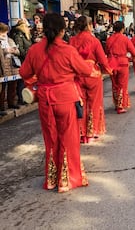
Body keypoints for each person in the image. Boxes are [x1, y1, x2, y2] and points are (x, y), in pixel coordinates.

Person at [19, 13, 99, 193]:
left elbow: (24, 72)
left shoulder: (34, 50)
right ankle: (67, 180)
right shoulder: (68, 50)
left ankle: (52, 180)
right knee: (68, 138)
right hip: (65, 98)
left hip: (45, 100)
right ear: (63, 30)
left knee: (51, 139)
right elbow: (85, 69)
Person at [70, 16, 113, 143]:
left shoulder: (72, 40)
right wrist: (108, 70)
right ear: (89, 26)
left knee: (80, 103)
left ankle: (82, 133)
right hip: (92, 74)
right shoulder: (94, 41)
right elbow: (103, 60)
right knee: (94, 103)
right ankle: (92, 131)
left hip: (77, 74)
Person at [106, 21, 135, 114]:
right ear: (122, 29)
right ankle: (120, 106)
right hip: (123, 64)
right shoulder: (125, 39)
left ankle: (116, 103)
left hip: (112, 64)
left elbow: (107, 51)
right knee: (122, 85)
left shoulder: (109, 39)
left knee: (115, 85)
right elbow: (133, 51)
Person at [11, 19, 32, 105]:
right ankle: (21, 98)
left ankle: (25, 98)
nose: (28, 28)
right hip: (22, 60)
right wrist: (29, 54)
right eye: (27, 26)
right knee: (21, 81)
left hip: (27, 60)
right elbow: (20, 49)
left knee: (25, 81)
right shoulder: (18, 35)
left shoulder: (25, 35)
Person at [0, 22, 20, 112]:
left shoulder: (10, 40)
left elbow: (18, 51)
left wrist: (13, 50)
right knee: (2, 87)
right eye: (3, 32)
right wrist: (5, 50)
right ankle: (1, 106)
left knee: (13, 85)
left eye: (6, 32)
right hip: (3, 65)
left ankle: (11, 103)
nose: (5, 34)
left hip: (12, 65)